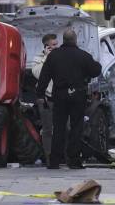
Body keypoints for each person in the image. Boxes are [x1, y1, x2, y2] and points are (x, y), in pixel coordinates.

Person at [36, 29, 102, 169]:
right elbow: (96, 70)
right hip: (78, 96)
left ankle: (54, 161)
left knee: (58, 128)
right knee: (76, 127)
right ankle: (73, 160)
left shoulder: (53, 56)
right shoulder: (83, 55)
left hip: (59, 96)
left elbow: (44, 76)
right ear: (75, 40)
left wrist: (40, 94)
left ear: (63, 40)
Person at [32, 34, 58, 166]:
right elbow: (37, 74)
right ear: (46, 47)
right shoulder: (39, 58)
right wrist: (47, 58)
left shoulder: (61, 56)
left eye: (56, 44)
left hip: (60, 98)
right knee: (48, 129)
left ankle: (61, 156)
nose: (55, 47)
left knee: (64, 127)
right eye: (52, 45)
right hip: (46, 98)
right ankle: (49, 157)